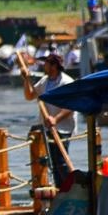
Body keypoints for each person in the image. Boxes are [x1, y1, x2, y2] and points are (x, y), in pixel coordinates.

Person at [26, 54, 75, 184]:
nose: (44, 65)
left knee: (61, 162)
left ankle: (72, 186)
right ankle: (60, 190)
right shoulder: (44, 81)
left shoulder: (66, 82)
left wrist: (56, 119)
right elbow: (30, 95)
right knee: (53, 162)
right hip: (47, 127)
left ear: (54, 66)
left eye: (46, 63)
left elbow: (71, 105)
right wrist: (26, 79)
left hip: (62, 128)